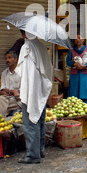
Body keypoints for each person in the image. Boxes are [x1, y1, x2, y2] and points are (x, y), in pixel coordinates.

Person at [17, 30, 53, 164]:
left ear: (24, 34)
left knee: (30, 122)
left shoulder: (27, 47)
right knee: (40, 120)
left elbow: (24, 72)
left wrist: (26, 89)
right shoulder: (41, 46)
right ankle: (40, 151)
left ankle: (32, 155)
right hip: (40, 90)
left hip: (31, 90)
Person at [67, 35, 87, 104]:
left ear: (83, 40)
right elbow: (68, 61)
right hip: (75, 75)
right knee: (74, 92)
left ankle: (86, 106)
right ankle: (74, 107)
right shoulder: (71, 50)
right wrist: (74, 64)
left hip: (85, 73)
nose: (77, 39)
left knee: (85, 91)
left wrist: (85, 66)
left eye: (79, 38)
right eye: (76, 38)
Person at [0, 50, 22, 117]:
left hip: (19, 100)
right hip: (7, 98)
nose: (7, 60)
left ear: (16, 59)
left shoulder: (22, 72)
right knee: (0, 100)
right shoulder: (4, 73)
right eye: (6, 58)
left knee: (0, 103)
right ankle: (0, 122)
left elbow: (20, 93)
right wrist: (12, 91)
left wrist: (10, 92)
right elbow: (3, 89)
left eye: (9, 58)